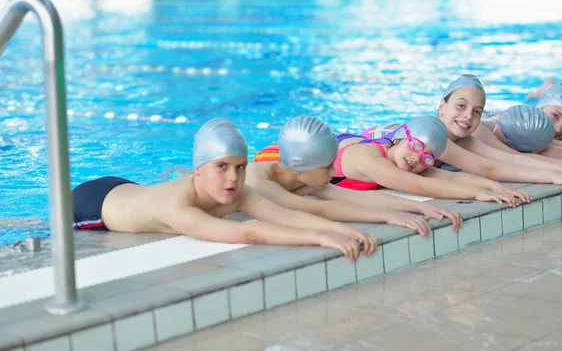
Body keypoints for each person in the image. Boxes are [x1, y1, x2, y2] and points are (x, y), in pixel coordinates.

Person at [71, 118, 376, 262]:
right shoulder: (179, 209)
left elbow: (284, 215)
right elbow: (249, 233)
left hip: (125, 187)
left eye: (240, 167)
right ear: (198, 169)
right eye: (222, 167)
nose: (233, 178)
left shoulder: (235, 192)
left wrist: (345, 231)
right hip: (90, 206)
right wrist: (322, 237)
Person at [363, 75, 562, 203]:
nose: (468, 115)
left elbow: (509, 158)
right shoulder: (433, 138)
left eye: (477, 111)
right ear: (441, 106)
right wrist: (557, 176)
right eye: (461, 106)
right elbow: (490, 168)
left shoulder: (470, 133)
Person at [247, 115, 463, 236]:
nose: (333, 173)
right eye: (327, 168)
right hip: (268, 156)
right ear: (299, 167)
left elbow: (361, 198)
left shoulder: (302, 175)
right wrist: (386, 217)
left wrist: (423, 208)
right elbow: (318, 209)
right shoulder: (260, 182)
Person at [334, 115, 526, 206]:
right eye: (416, 146)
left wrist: (496, 187)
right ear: (399, 138)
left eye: (427, 158)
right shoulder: (369, 159)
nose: (417, 157)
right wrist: (476, 193)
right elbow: (419, 186)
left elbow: (448, 177)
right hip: (338, 145)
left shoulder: (406, 158)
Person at [473, 104, 562, 176]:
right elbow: (517, 158)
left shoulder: (517, 123)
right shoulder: (478, 130)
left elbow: (555, 148)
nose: (559, 129)